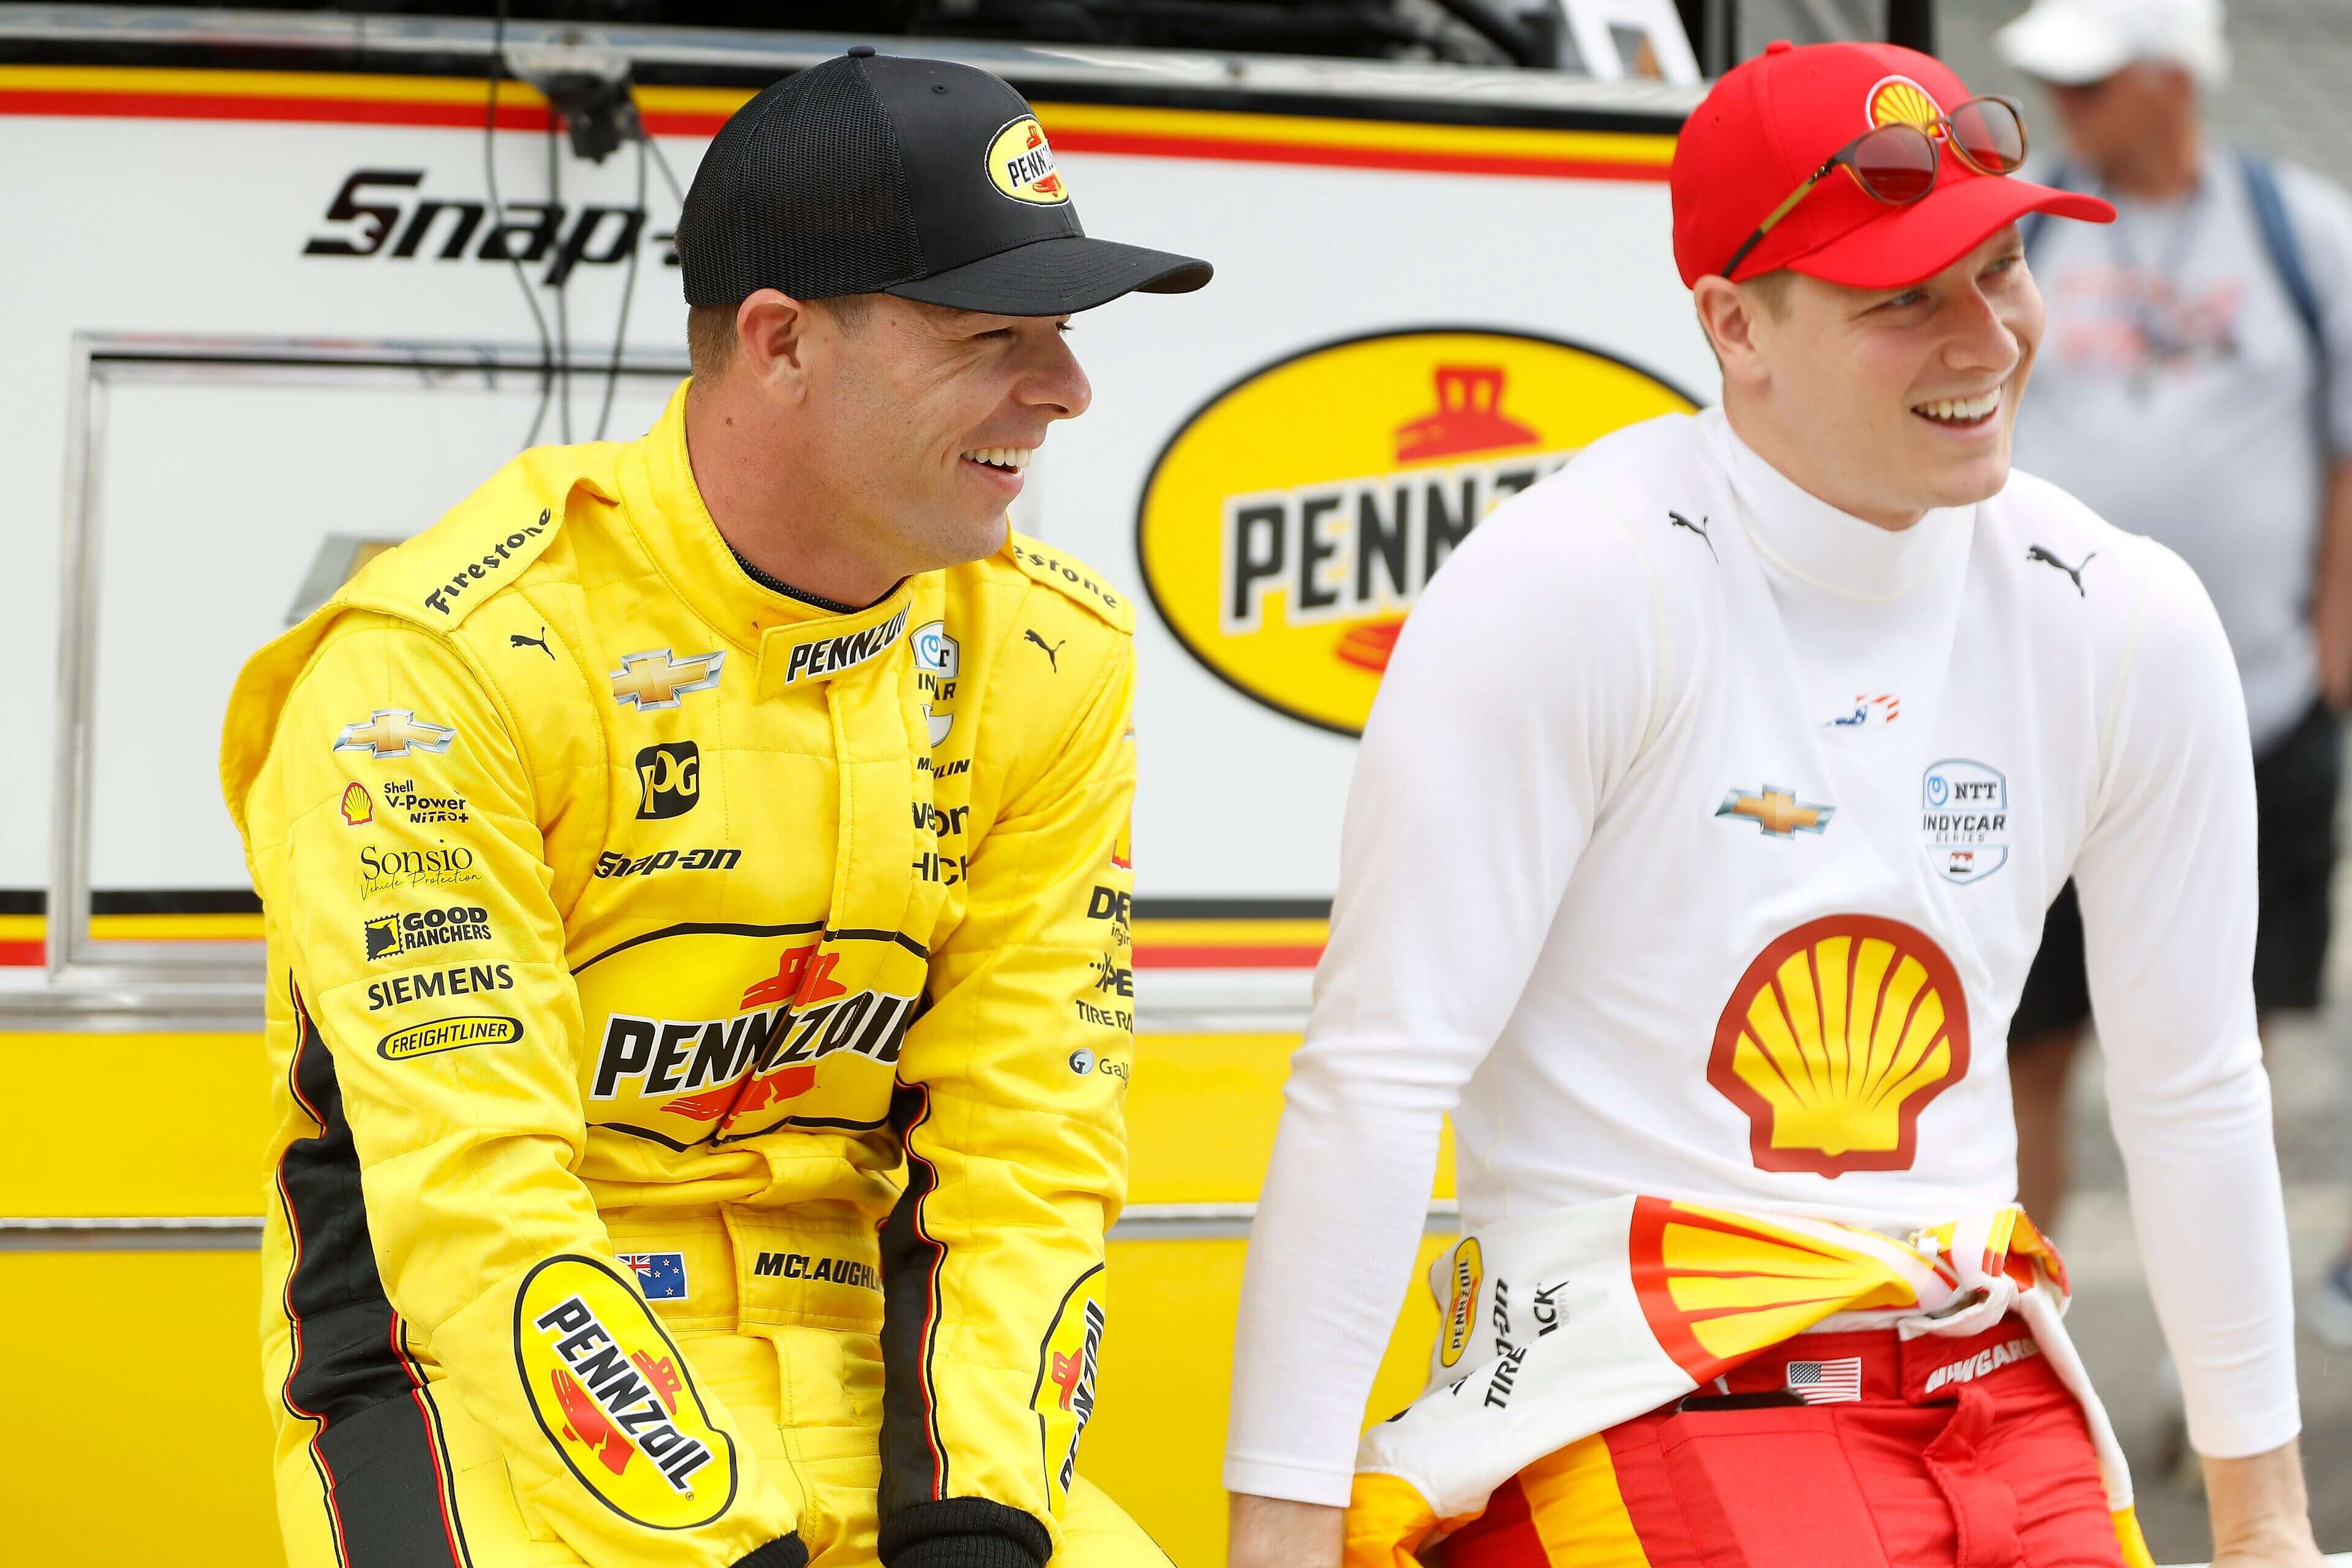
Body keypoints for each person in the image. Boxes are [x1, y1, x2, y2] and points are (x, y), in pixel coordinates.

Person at [1223, 39, 2323, 1568]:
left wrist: (2268, 1526)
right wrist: (1275, 1540)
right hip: (1641, 1386)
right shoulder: (1569, 581)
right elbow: (1377, 1075)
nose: (1985, 338)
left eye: (2002, 267)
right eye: (1905, 298)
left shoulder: (2121, 608)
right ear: (1735, 323)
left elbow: (2194, 1085)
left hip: (1994, 1374)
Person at [219, 48, 1206, 1568]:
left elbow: (1031, 1145)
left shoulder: (1048, 654)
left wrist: (977, 1515)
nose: (1067, 390)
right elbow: (476, 1200)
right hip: (491, 1387)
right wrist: (717, 1536)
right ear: (781, 341)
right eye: (992, 335)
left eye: (1064, 334)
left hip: (876, 1379)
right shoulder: (437, 664)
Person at [1993, 0, 2352, 1342]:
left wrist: (2334, 647)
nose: (2063, 107)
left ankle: (2225, 1380)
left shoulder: (2301, 231)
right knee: (2020, 1052)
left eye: (2090, 83)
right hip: (2042, 723)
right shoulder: (2028, 233)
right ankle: (2009, 1346)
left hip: (2257, 717)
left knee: (2221, 1064)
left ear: (2170, 80)